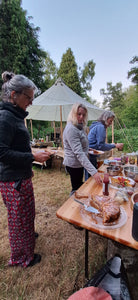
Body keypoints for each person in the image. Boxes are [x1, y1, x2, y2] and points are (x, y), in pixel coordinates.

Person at [0, 71, 51, 267]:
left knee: (26, 214)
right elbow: (2, 153)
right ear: (14, 95)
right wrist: (33, 156)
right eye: (28, 98)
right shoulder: (5, 118)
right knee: (18, 220)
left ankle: (28, 239)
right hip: (13, 180)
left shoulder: (14, 116)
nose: (31, 102)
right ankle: (22, 258)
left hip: (20, 178)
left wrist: (32, 153)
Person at [63, 103, 102, 196]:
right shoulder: (71, 129)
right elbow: (79, 153)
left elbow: (82, 144)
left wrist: (88, 149)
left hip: (79, 163)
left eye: (83, 115)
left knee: (80, 186)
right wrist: (94, 172)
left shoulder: (79, 126)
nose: (81, 117)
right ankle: (72, 206)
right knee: (76, 188)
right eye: (79, 114)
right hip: (74, 164)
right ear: (73, 114)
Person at [85, 110, 124, 180]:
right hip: (90, 155)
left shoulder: (97, 125)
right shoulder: (101, 127)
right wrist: (115, 146)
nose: (110, 123)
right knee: (90, 178)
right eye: (110, 121)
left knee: (89, 176)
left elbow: (98, 143)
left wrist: (110, 144)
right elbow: (101, 146)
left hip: (88, 154)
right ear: (106, 118)